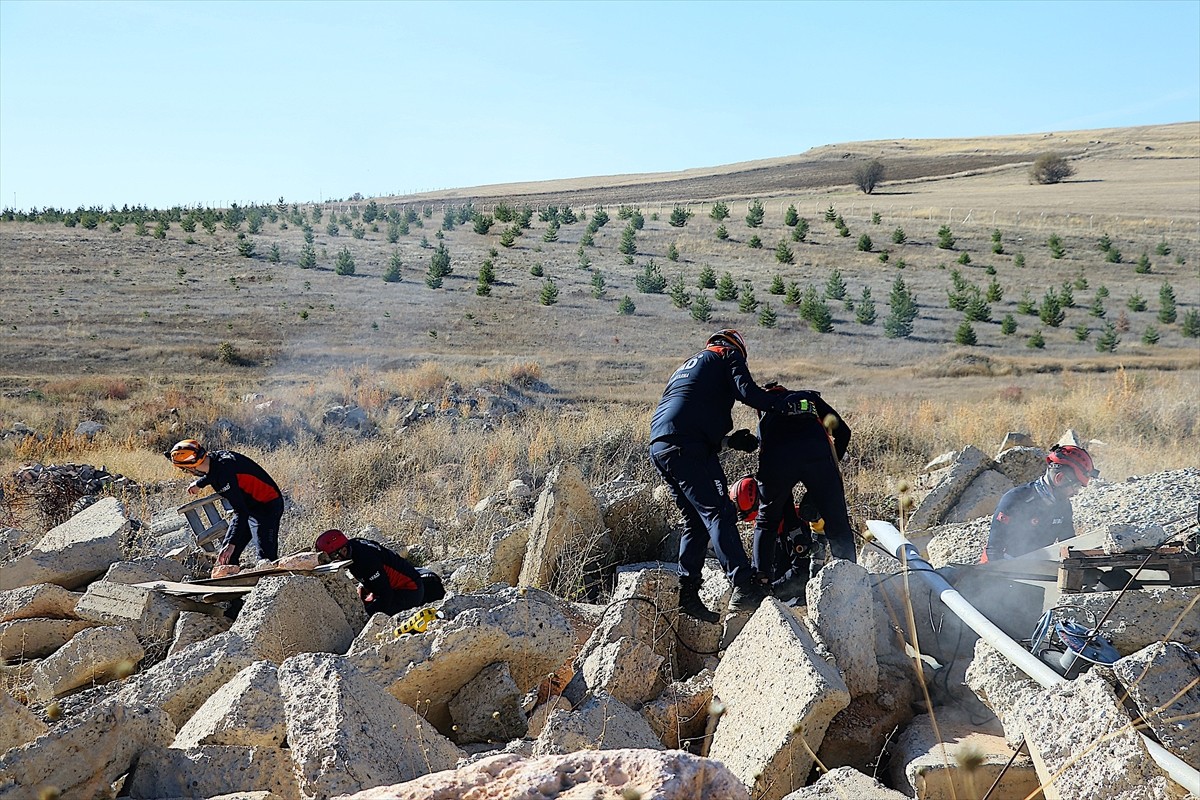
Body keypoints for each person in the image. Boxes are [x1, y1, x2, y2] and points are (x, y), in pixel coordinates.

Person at [649, 329, 804, 619]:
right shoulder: (727, 354)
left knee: (695, 519)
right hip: (688, 445)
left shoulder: (688, 367)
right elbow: (748, 392)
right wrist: (782, 404)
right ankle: (744, 584)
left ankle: (687, 592)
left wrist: (729, 442)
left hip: (661, 446)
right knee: (719, 512)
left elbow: (686, 413)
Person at [751, 386, 856, 595]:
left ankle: (759, 586)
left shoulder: (766, 416)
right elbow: (843, 432)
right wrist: (825, 478)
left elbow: (777, 489)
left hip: (777, 460)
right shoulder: (809, 398)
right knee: (837, 523)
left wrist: (790, 519)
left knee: (766, 522)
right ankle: (850, 584)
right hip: (817, 457)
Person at [168, 439, 284, 572]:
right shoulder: (214, 460)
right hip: (248, 504)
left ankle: (272, 581)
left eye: (184, 470)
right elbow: (214, 473)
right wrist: (199, 484)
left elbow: (241, 511)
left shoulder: (224, 475)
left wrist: (231, 543)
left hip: (267, 505)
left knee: (266, 560)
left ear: (190, 468)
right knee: (227, 558)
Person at [983, 444, 1098, 562]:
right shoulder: (1015, 499)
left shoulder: (1064, 506)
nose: (1076, 492)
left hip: (1034, 566)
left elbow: (1069, 546)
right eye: (1076, 486)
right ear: (1059, 478)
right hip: (999, 564)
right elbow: (993, 551)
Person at [313, 528, 445, 616]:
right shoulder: (354, 546)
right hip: (401, 585)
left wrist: (366, 614)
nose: (332, 561)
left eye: (332, 557)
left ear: (342, 551)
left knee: (366, 616)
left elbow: (386, 595)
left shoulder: (365, 561)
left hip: (409, 591)